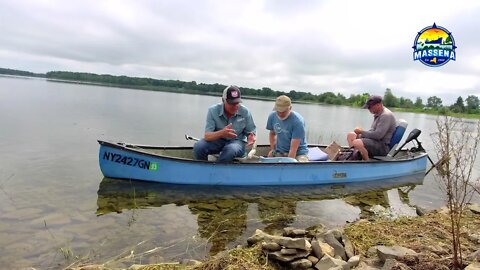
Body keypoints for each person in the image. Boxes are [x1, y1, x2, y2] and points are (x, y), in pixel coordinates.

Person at [193, 85, 256, 162]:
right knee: (199, 146)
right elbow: (207, 136)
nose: (235, 106)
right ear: (223, 100)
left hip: (237, 142)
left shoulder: (245, 112)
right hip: (218, 140)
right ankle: (203, 169)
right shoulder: (213, 110)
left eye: (237, 103)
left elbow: (251, 132)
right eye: (232, 103)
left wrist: (251, 137)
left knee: (230, 150)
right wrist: (222, 133)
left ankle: (219, 172)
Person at [347, 95, 396, 160]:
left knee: (357, 142)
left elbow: (378, 135)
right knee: (351, 135)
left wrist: (361, 132)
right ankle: (355, 156)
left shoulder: (386, 115)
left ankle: (366, 163)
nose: (369, 109)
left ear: (378, 105)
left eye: (370, 107)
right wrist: (360, 134)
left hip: (383, 146)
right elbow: (372, 132)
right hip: (375, 142)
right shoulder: (378, 114)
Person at [266, 95, 309, 162]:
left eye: (283, 111)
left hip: (298, 153)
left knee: (299, 165)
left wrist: (288, 165)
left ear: (290, 108)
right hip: (280, 151)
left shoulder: (297, 121)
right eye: (278, 111)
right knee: (268, 161)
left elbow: (293, 150)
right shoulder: (272, 116)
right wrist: (273, 150)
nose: (280, 114)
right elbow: (272, 134)